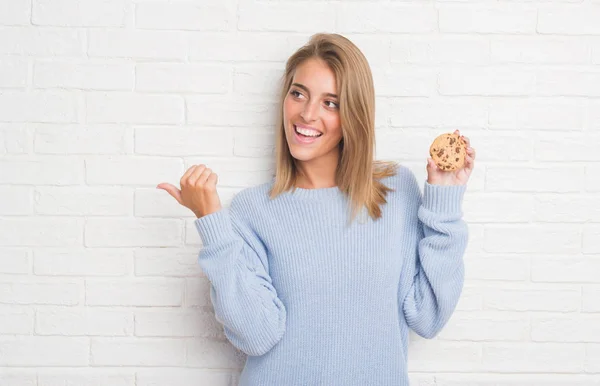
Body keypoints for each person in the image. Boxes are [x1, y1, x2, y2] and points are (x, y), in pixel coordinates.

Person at [157, 33, 476, 386]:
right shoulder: (252, 210)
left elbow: (428, 316)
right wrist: (213, 225)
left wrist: (444, 204)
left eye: (331, 103)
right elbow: (256, 335)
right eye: (298, 94)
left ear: (354, 114)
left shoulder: (395, 190)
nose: (307, 114)